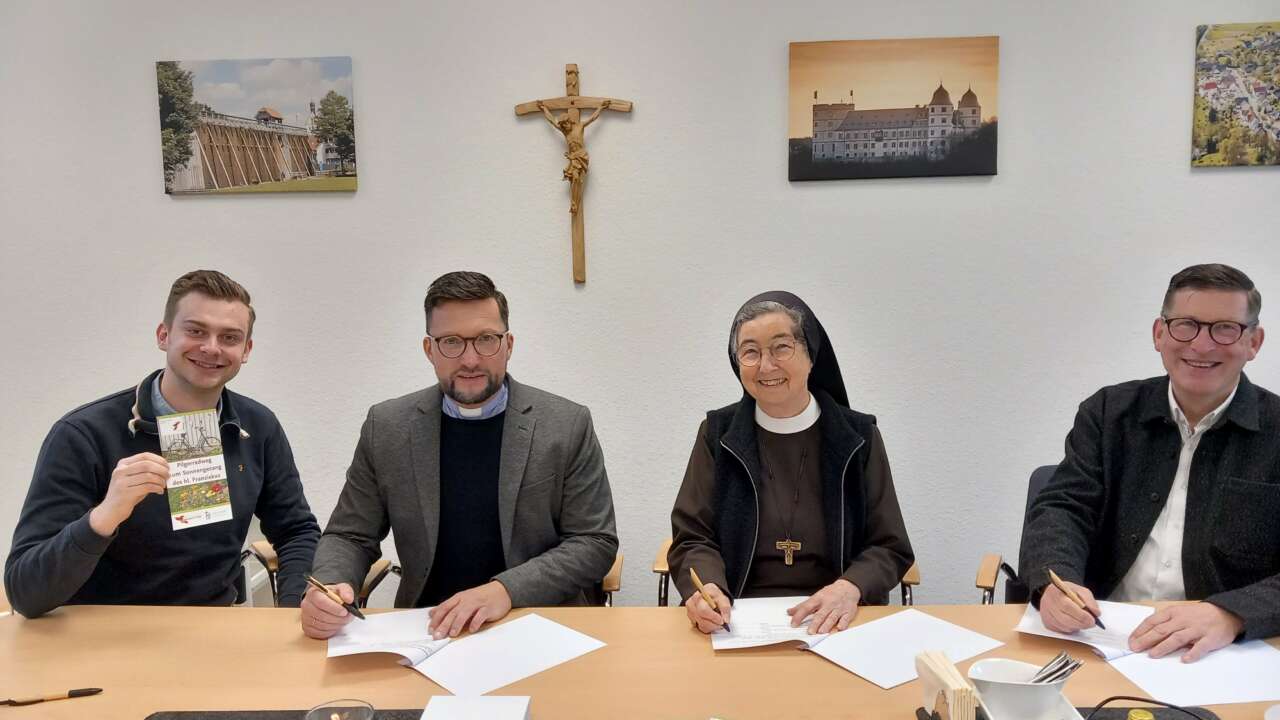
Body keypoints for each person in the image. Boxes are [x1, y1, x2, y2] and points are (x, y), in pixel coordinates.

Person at [302, 271, 618, 640]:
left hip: (537, 622)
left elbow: (594, 542)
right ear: (429, 349)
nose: (470, 359)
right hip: (426, 628)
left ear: (509, 344)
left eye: (486, 340)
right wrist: (329, 587)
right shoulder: (387, 426)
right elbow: (350, 535)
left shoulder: (566, 424)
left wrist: (504, 590)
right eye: (451, 342)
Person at [5, 270, 320, 617]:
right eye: (196, 331)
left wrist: (292, 614)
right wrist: (104, 517)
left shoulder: (258, 427)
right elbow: (25, 592)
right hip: (101, 638)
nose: (211, 347)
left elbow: (296, 531)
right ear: (163, 335)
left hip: (215, 632)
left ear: (245, 350)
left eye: (229, 337)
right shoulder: (83, 434)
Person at [1020, 263, 1279, 663]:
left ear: (1254, 342)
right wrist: (1056, 582)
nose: (1202, 345)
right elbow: (1062, 508)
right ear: (1160, 334)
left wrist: (1232, 613)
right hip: (1103, 638)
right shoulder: (1108, 413)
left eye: (1225, 328)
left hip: (1227, 651)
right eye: (1185, 325)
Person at [668, 291, 914, 635]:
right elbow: (693, 537)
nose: (766, 366)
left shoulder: (858, 437)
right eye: (750, 352)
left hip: (836, 621)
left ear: (811, 355)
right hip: (735, 620)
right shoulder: (717, 435)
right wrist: (708, 588)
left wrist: (850, 587)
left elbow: (890, 545)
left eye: (781, 347)